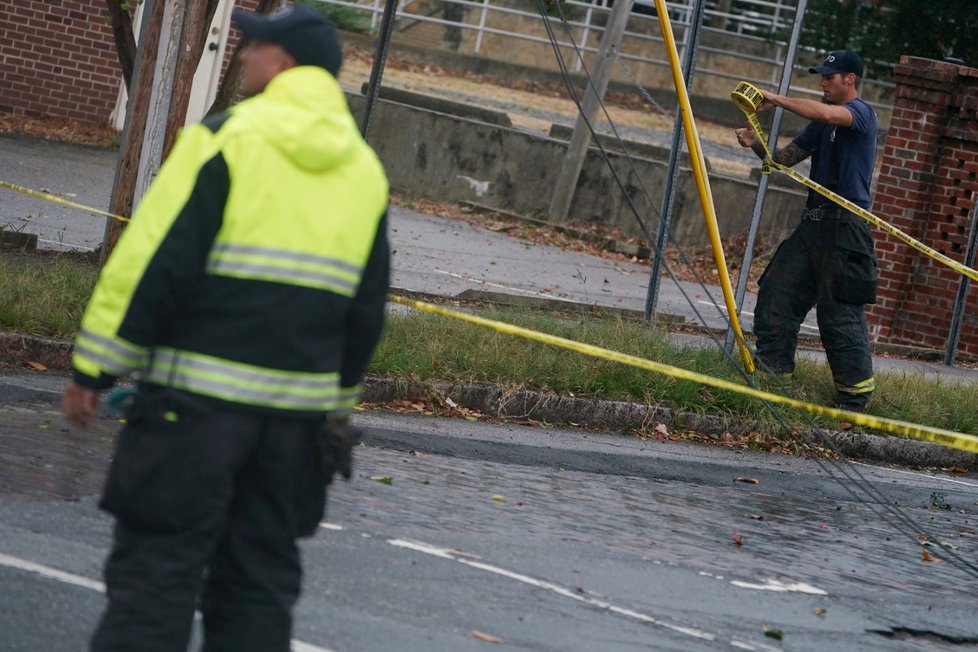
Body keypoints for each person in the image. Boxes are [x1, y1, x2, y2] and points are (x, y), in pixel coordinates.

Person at [60, 6, 390, 651]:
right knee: (258, 587)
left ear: (285, 62)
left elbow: (154, 264)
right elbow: (367, 309)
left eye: (254, 46)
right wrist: (335, 409)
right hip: (293, 433)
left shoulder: (228, 136)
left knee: (157, 574)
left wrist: (92, 370)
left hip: (194, 416)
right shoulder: (363, 168)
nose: (241, 56)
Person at [735, 50, 878, 411]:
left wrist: (775, 99)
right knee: (776, 294)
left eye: (829, 77)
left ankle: (855, 400)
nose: (822, 82)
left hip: (845, 229)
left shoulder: (859, 115)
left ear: (850, 79)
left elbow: (827, 112)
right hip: (813, 224)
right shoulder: (821, 125)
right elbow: (782, 160)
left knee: (839, 314)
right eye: (821, 76)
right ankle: (773, 375)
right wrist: (757, 144)